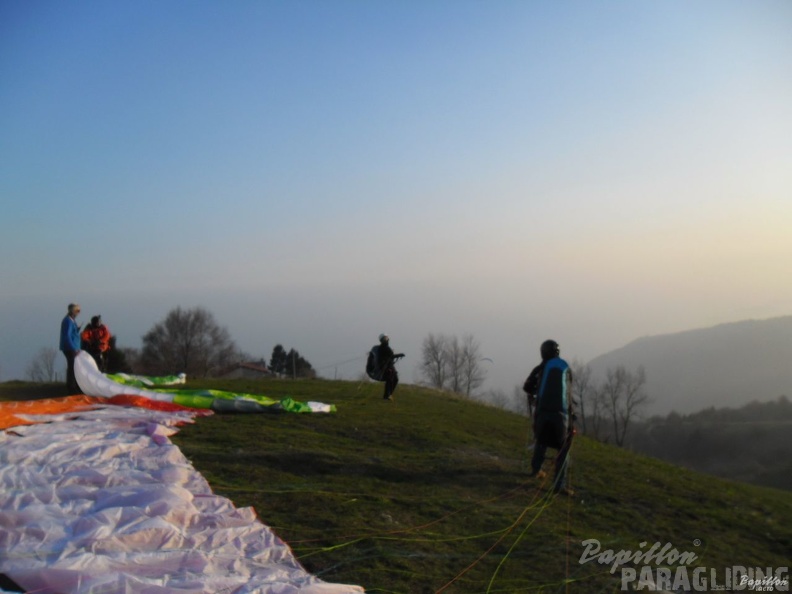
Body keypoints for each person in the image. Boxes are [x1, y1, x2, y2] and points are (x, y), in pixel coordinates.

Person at [523, 339, 575, 496]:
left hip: (543, 413)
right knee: (563, 448)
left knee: (541, 440)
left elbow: (527, 386)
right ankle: (559, 485)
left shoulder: (540, 368)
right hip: (562, 416)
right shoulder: (566, 368)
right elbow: (568, 394)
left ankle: (536, 470)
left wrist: (535, 395)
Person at [367, 334, 404, 400]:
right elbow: (389, 356)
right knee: (389, 379)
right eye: (385, 338)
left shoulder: (386, 347)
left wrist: (398, 355)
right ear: (382, 340)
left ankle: (389, 395)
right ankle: (386, 396)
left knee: (395, 379)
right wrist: (399, 355)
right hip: (384, 368)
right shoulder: (383, 348)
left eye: (386, 338)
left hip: (389, 366)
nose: (386, 339)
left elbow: (390, 356)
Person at [59, 303, 82, 394]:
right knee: (72, 367)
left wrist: (76, 330)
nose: (78, 313)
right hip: (70, 348)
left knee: (74, 367)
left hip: (73, 347)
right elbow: (67, 336)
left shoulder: (71, 321)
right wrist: (73, 348)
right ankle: (71, 388)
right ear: (73, 311)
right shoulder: (67, 321)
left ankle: (74, 386)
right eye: (77, 311)